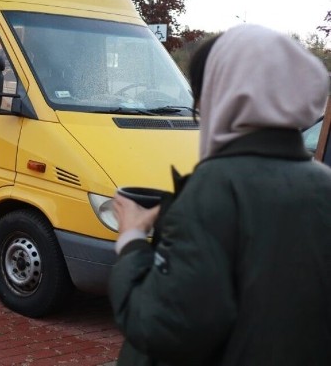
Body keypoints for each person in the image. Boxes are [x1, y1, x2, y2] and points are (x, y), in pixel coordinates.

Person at [109, 24, 331, 366]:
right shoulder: (322, 183)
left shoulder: (216, 185)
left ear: (217, 94)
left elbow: (161, 326)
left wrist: (132, 239)